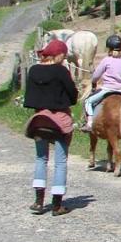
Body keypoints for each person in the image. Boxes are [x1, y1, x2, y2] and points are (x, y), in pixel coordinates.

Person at [24, 39, 79, 215]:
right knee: (60, 162)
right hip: (59, 120)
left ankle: (39, 202)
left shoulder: (33, 70)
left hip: (40, 120)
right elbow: (72, 95)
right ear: (59, 54)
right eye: (63, 54)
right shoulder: (61, 71)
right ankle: (57, 205)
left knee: (41, 159)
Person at [81, 33, 121, 130]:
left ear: (109, 48)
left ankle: (89, 124)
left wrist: (94, 82)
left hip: (107, 89)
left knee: (88, 101)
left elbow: (96, 76)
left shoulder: (106, 60)